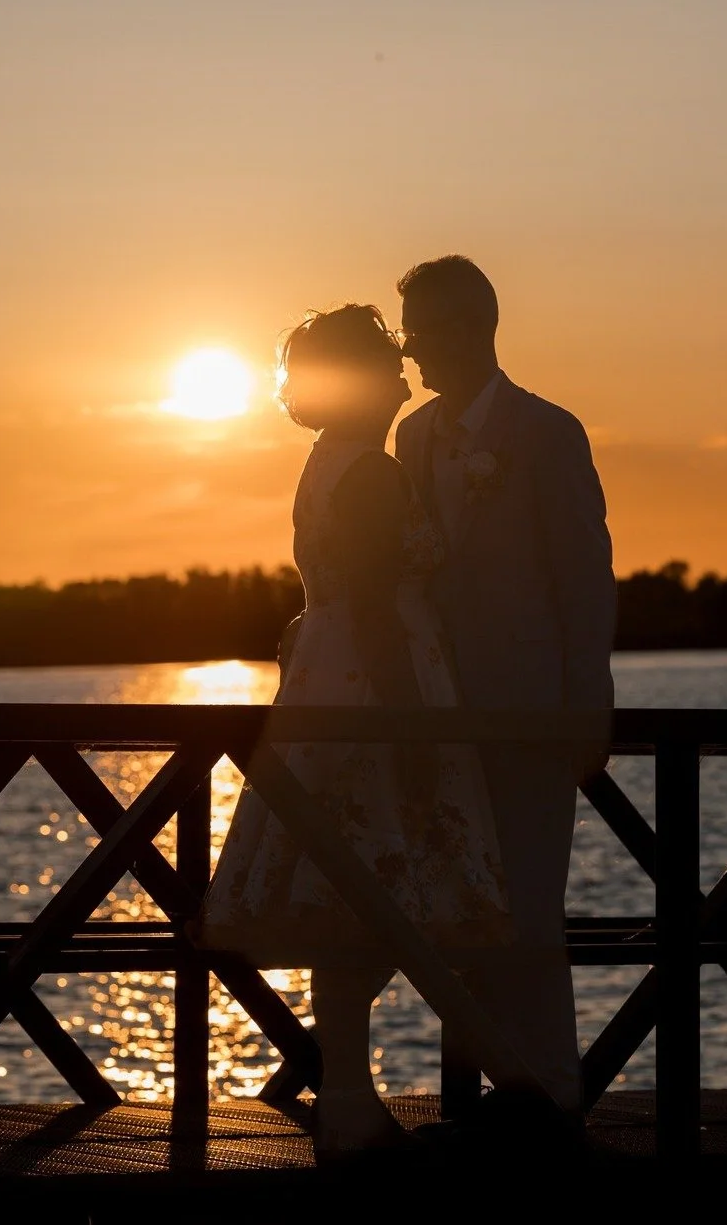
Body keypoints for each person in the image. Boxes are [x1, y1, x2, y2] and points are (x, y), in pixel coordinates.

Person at [199, 303, 508, 1157]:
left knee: (348, 893)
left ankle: (346, 1094)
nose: (406, 374)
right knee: (382, 884)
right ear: (361, 379)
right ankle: (482, 1084)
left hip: (328, 680)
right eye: (387, 362)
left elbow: (331, 593)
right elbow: (372, 606)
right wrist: (409, 727)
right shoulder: (371, 473)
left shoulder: (326, 461)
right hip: (375, 687)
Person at [395, 255, 616, 1123]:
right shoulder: (411, 437)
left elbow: (583, 581)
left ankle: (551, 1101)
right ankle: (500, 1092)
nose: (410, 349)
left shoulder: (546, 433)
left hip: (527, 714)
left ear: (473, 327)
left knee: (528, 909)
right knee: (460, 913)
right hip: (437, 718)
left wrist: (584, 708)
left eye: (419, 329)